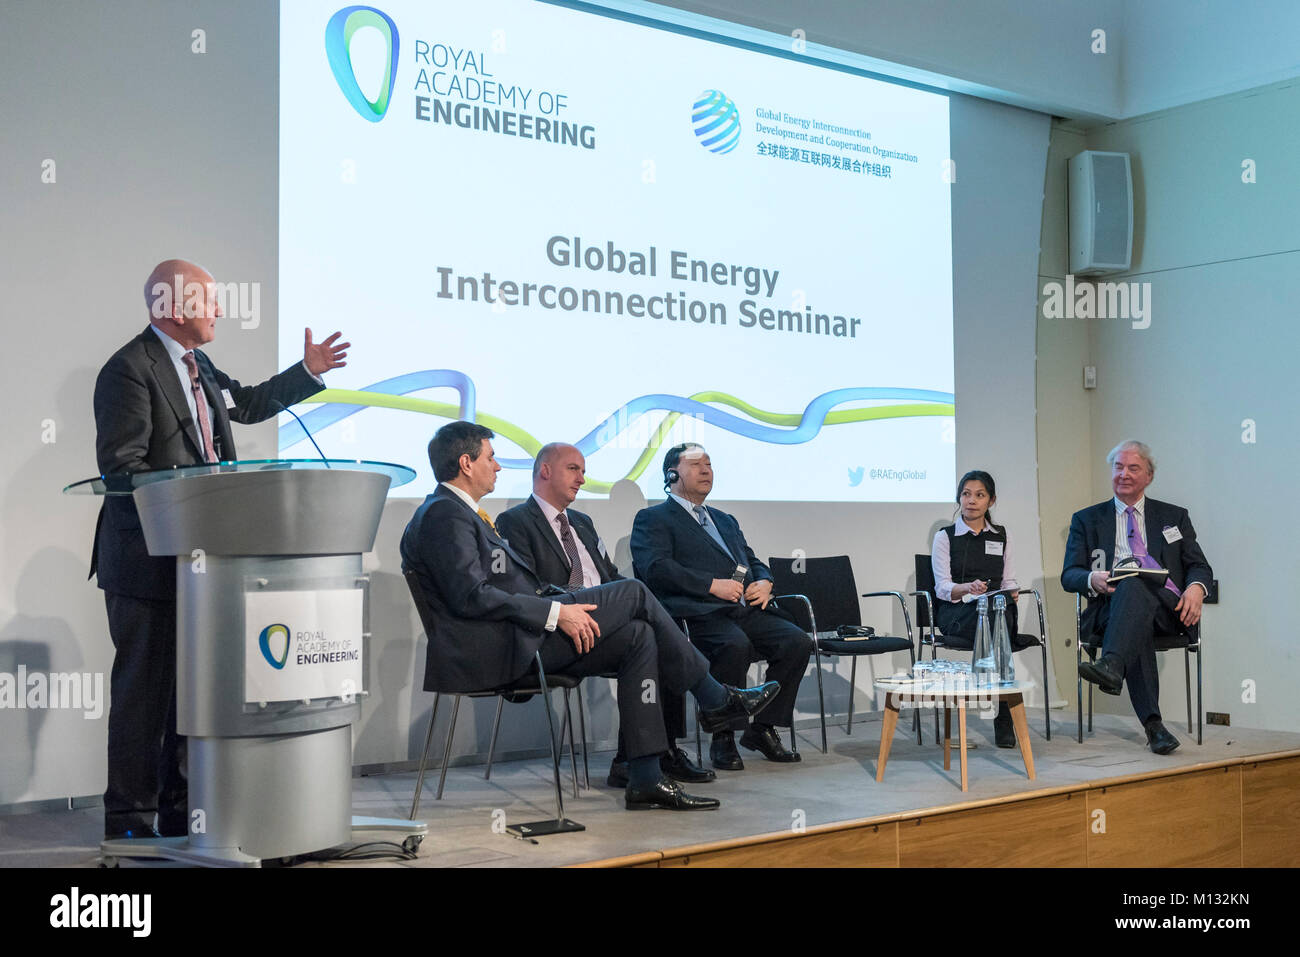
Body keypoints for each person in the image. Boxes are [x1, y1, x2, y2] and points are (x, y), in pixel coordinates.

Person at [92, 258, 349, 839]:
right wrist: (191, 502)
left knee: (192, 695)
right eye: (210, 301)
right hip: (148, 564)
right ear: (177, 308)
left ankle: (182, 811)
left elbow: (249, 404)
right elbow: (121, 471)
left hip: (205, 563)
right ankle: (129, 821)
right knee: (145, 698)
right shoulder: (130, 369)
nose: (220, 311)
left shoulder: (197, 363)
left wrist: (305, 373)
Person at [399, 422, 780, 811]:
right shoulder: (444, 515)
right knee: (634, 592)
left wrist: (557, 605)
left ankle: (644, 775)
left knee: (638, 636)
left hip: (522, 636)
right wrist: (556, 611)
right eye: (491, 457)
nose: (497, 467)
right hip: (498, 649)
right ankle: (715, 696)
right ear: (466, 463)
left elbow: (514, 588)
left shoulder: (462, 514)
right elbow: (471, 596)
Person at [494, 443, 714, 789]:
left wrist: (620, 600)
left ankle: (636, 764)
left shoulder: (582, 522)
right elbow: (527, 589)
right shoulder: (514, 522)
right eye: (574, 469)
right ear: (546, 471)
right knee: (641, 597)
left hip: (604, 623)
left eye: (583, 471)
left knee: (646, 632)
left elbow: (610, 577)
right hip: (559, 627)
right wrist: (582, 602)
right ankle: (712, 698)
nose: (582, 479)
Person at [630, 443, 813, 771]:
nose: (706, 471)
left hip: (744, 610)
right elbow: (656, 568)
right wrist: (710, 585)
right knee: (734, 645)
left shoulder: (725, 520)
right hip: (698, 613)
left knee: (797, 641)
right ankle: (723, 737)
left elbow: (751, 559)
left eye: (709, 465)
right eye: (696, 465)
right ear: (671, 474)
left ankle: (762, 728)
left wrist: (765, 581)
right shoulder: (653, 518)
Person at [1062, 440, 1212, 755]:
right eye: (1118, 467)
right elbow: (1070, 575)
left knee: (1137, 592)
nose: (1124, 474)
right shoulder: (1086, 519)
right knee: (1132, 593)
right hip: (1109, 609)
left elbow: (1198, 566)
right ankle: (1153, 726)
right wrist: (1094, 579)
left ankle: (1113, 665)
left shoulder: (1174, 517)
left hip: (1168, 610)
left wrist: (1197, 588)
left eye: (1133, 468)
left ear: (1149, 476)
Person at [930, 470, 1020, 748]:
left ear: (991, 501)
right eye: (966, 494)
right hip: (959, 614)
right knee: (997, 620)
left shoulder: (1002, 536)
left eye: (979, 495)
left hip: (997, 609)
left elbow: (1010, 580)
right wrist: (968, 588)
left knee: (997, 608)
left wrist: (1013, 591)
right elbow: (942, 587)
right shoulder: (945, 537)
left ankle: (995, 701)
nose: (971, 500)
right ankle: (1003, 713)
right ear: (959, 498)